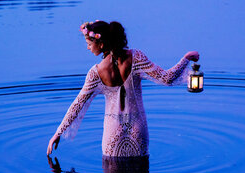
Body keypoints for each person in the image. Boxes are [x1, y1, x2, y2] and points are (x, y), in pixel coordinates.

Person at [47, 20, 199, 157]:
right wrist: (186, 58)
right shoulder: (136, 57)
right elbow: (167, 78)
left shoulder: (96, 73)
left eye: (89, 43)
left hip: (113, 133)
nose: (87, 48)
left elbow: (77, 105)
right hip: (137, 130)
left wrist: (58, 133)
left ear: (101, 44)